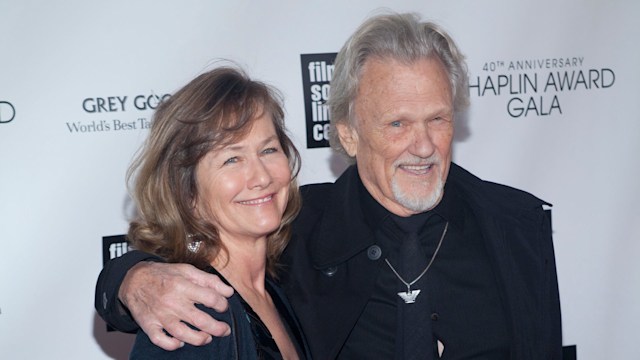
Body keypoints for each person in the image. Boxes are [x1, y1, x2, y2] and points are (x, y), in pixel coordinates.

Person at [96, 12, 562, 359]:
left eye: (437, 119)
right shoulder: (295, 228)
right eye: (397, 123)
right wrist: (131, 280)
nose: (423, 146)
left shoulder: (514, 226)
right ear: (348, 134)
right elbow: (196, 260)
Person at [117, 66, 311, 359]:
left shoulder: (275, 293)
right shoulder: (191, 314)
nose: (261, 177)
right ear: (188, 192)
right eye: (232, 159)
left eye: (268, 150)